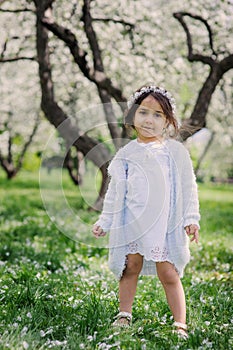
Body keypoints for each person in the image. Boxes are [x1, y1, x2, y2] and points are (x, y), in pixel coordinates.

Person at [92, 85, 200, 338]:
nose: (149, 120)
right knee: (130, 266)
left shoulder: (175, 153)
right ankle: (124, 314)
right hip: (133, 222)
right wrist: (106, 220)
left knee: (168, 271)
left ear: (168, 122)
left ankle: (180, 323)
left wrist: (191, 218)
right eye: (143, 112)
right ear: (132, 116)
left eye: (158, 114)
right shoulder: (126, 154)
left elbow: (188, 186)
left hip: (165, 224)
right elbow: (115, 192)